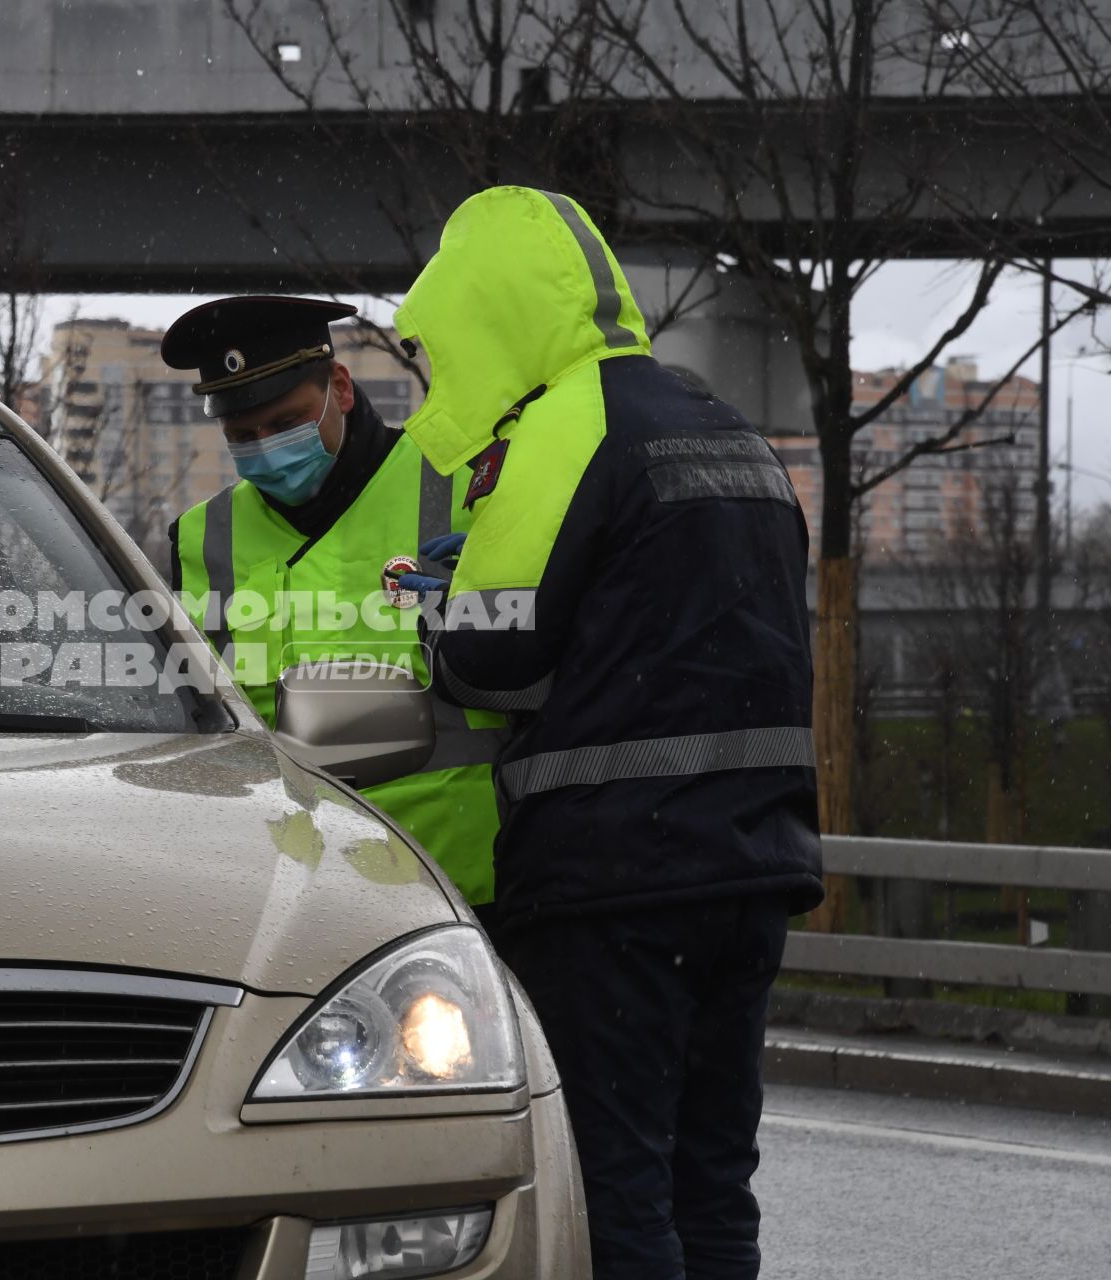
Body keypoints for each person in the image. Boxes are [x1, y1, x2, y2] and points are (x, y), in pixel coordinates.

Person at [391, 187, 825, 1279]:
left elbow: (496, 653)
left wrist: (437, 609)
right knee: (714, 1183)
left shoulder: (565, 422)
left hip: (617, 881)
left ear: (485, 316)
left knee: (616, 1191)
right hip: (754, 867)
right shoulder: (719, 422)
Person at [161, 295, 504, 905]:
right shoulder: (199, 539)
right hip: (296, 894)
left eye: (286, 423)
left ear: (339, 388)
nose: (265, 447)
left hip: (464, 880)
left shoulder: (460, 490)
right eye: (243, 434)